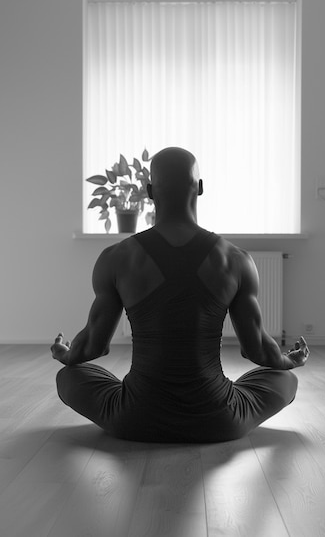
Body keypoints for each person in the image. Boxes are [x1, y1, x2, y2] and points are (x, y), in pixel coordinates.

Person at [51, 147, 309, 443]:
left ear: (149, 191)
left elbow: (94, 348)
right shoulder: (236, 260)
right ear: (199, 188)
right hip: (219, 419)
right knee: (285, 379)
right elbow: (257, 352)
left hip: (134, 418)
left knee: (68, 376)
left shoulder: (116, 258)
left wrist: (67, 354)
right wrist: (290, 361)